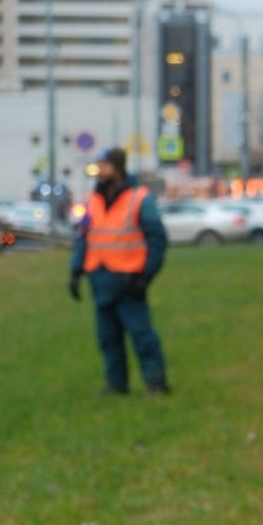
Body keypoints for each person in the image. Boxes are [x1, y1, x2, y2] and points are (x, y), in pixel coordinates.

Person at [69, 147, 169, 395]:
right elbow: (84, 237)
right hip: (101, 279)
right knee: (108, 339)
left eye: (103, 166)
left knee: (142, 336)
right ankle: (116, 384)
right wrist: (75, 271)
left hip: (129, 281)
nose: (99, 171)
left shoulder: (139, 198)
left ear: (117, 167)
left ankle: (156, 383)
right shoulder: (93, 200)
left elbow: (157, 239)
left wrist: (147, 275)